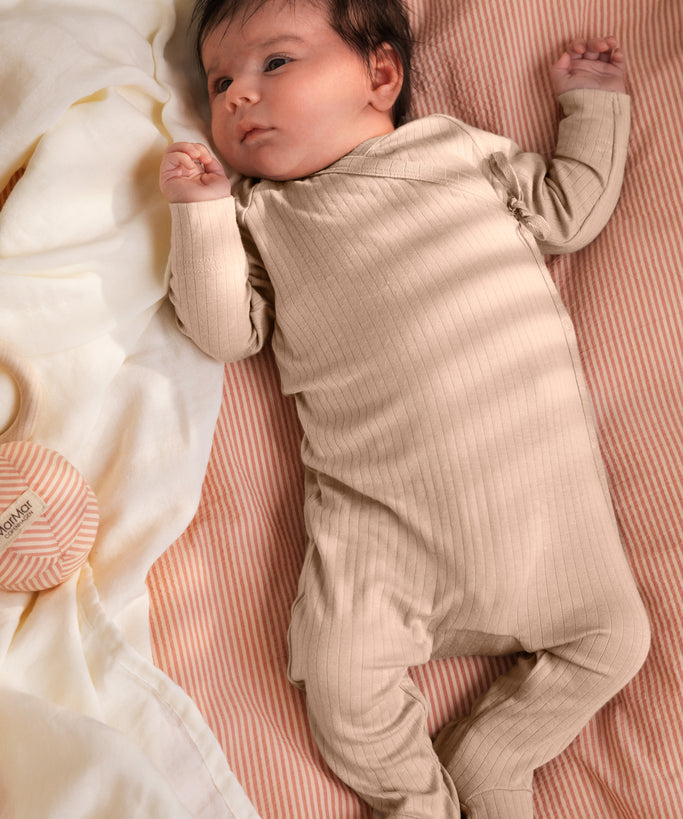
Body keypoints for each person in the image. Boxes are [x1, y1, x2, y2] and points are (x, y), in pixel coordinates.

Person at [159, 1, 650, 816]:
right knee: (341, 685)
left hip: (544, 522)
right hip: (379, 537)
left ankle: (495, 752)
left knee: (616, 641)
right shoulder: (263, 215)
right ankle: (417, 800)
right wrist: (201, 214)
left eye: (274, 63)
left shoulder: (454, 151)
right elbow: (223, 332)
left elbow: (568, 212)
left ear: (380, 74)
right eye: (218, 83)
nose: (238, 94)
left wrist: (591, 107)